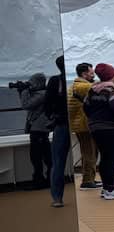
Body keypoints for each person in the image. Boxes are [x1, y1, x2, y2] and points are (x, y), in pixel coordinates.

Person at [83, 63, 114, 200]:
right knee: (113, 158)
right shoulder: (113, 90)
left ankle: (106, 188)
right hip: (110, 128)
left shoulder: (93, 89)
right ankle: (111, 188)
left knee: (105, 157)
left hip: (95, 128)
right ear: (111, 76)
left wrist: (94, 119)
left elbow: (85, 106)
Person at [68, 63, 100, 190]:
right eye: (92, 73)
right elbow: (98, 87)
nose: (94, 75)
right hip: (83, 126)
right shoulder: (81, 86)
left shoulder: (77, 85)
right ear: (84, 74)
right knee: (89, 153)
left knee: (91, 152)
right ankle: (87, 181)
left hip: (82, 124)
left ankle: (90, 178)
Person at [18, 72, 52, 189]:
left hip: (39, 128)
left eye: (32, 82)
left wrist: (24, 90)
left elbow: (26, 105)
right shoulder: (41, 93)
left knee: (37, 156)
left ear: (38, 83)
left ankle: (39, 181)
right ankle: (48, 179)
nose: (30, 85)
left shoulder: (42, 94)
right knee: (44, 155)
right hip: (41, 128)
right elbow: (28, 104)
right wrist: (22, 91)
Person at [44, 56, 71, 207]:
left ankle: (57, 198)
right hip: (77, 124)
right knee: (89, 155)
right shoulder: (75, 81)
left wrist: (54, 117)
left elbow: (47, 105)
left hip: (61, 125)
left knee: (58, 162)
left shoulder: (55, 81)